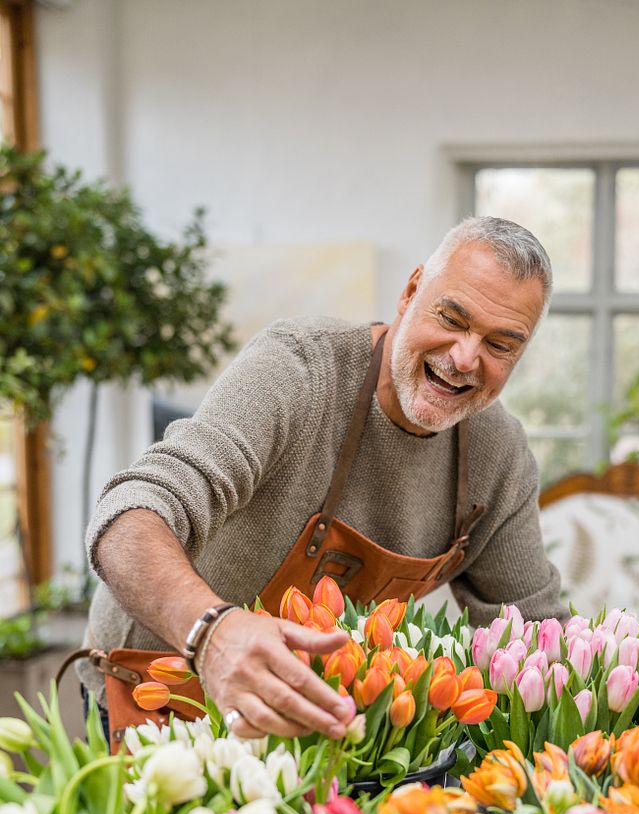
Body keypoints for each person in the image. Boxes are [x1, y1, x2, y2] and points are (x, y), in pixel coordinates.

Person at [79, 215, 564, 742]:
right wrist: (212, 634)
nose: (465, 358)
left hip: (306, 724)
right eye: (452, 318)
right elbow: (128, 517)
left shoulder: (497, 455)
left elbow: (537, 631)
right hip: (156, 694)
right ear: (410, 291)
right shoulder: (301, 371)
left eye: (500, 345)